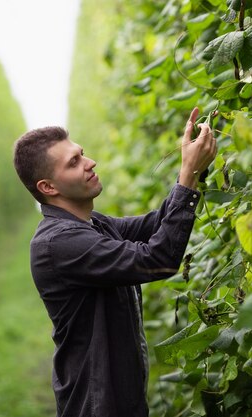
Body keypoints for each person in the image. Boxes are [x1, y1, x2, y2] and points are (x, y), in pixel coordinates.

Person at [12, 107, 216, 417]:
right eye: (74, 163)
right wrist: (187, 177)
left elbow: (156, 224)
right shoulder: (59, 244)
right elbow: (158, 259)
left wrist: (193, 168)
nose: (89, 162)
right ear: (48, 188)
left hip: (118, 398)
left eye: (82, 154)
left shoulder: (92, 224)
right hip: (97, 405)